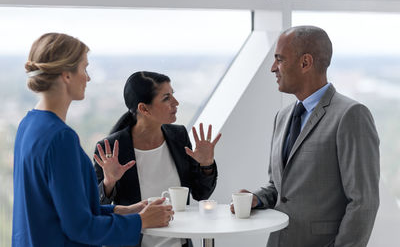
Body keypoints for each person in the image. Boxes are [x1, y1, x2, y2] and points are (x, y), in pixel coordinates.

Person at [12, 33, 174, 247]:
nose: (87, 78)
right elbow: (80, 228)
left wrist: (119, 210)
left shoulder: (28, 125)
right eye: (84, 68)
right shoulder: (61, 138)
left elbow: (60, 209)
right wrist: (140, 221)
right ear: (66, 75)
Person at [231, 26, 380, 247]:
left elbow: (363, 202)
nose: (273, 68)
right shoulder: (282, 117)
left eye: (279, 59)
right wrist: (258, 198)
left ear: (305, 63)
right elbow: (280, 187)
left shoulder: (350, 115)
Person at [93, 71, 221, 247]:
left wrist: (206, 165)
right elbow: (97, 209)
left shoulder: (179, 136)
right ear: (144, 109)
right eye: (166, 98)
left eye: (173, 95)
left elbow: (202, 194)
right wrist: (108, 183)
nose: (176, 103)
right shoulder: (112, 148)